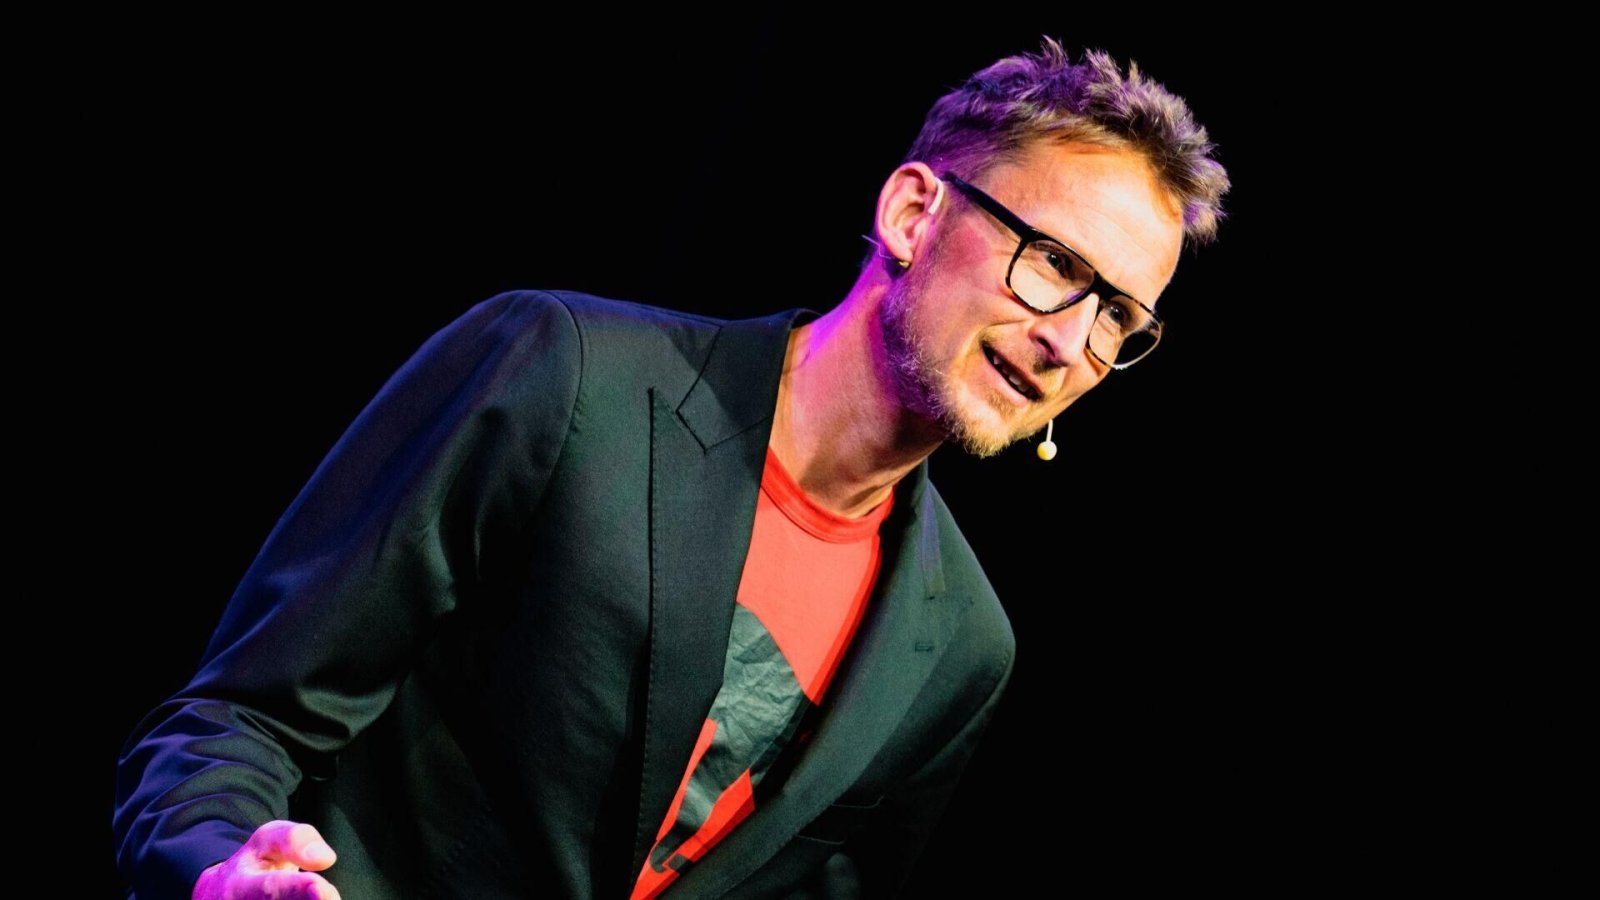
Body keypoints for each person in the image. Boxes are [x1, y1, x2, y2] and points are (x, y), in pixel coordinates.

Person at [113, 37, 1229, 899]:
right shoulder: (564, 376)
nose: (1070, 341)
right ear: (911, 213)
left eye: (1118, 318)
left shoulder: (963, 649)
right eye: (1054, 264)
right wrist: (220, 866)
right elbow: (235, 724)